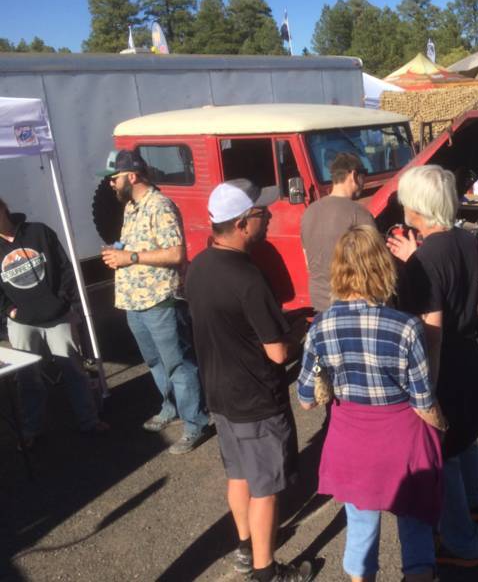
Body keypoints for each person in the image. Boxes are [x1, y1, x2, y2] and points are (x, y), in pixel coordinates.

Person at [297, 225, 446, 582]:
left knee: (361, 531)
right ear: (383, 268)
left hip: (352, 443)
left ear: (338, 270)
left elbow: (305, 400)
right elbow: (423, 400)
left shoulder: (320, 328)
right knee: (416, 528)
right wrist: (443, 424)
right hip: (402, 445)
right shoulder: (407, 327)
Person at [185, 179, 312, 582]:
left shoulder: (199, 265)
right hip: (255, 400)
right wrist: (299, 334)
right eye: (261, 213)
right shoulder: (249, 278)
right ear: (242, 223)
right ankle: (265, 571)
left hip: (219, 395)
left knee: (238, 475)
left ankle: (245, 547)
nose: (269, 216)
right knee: (265, 489)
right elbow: (277, 352)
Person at [388, 165, 478, 568]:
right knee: (465, 435)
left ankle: (463, 542)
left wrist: (423, 389)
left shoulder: (425, 260)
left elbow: (430, 330)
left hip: (442, 359)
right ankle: (477, 502)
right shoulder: (464, 238)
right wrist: (418, 256)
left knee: (442, 449)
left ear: (418, 207)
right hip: (468, 350)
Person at [101, 150, 208, 455]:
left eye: (114, 178)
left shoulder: (160, 206)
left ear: (131, 177)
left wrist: (130, 257)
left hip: (158, 299)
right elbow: (138, 247)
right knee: (155, 361)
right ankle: (170, 406)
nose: (111, 184)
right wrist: (119, 252)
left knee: (178, 363)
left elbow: (176, 254)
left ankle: (195, 422)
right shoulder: (132, 207)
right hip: (134, 300)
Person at [0, 199, 108, 447]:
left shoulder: (39, 232)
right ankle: (32, 431)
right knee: (27, 378)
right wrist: (11, 310)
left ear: (3, 208)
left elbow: (65, 268)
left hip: (58, 315)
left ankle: (89, 421)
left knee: (74, 370)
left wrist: (63, 301)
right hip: (22, 323)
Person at [301, 152, 375, 313]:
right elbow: (374, 263)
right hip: (352, 304)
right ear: (354, 175)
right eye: (364, 176)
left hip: (320, 303)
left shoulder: (309, 212)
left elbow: (308, 262)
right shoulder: (358, 213)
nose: (364, 183)